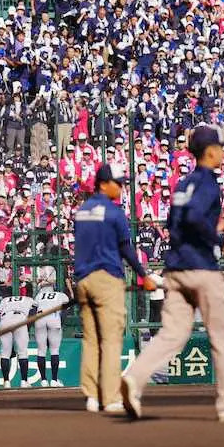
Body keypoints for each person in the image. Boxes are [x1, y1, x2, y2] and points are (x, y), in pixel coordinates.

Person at [120, 125, 224, 423]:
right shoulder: (209, 182)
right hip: (202, 269)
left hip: (176, 268)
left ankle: (134, 378)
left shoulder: (183, 185)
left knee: (172, 334)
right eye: (221, 148)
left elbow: (175, 222)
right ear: (210, 152)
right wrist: (221, 242)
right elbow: (196, 218)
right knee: (221, 335)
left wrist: (210, 227)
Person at [72, 164, 157, 413]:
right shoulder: (114, 212)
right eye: (118, 183)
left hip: (83, 280)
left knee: (91, 339)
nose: (121, 187)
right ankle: (109, 398)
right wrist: (144, 276)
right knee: (110, 340)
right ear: (103, 184)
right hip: (106, 278)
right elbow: (126, 248)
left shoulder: (82, 211)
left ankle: (91, 396)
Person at [0, 291, 36, 388]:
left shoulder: (5, 300)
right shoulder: (29, 299)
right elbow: (33, 313)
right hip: (20, 318)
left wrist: (0, 327)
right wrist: (27, 327)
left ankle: (6, 382)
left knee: (5, 353)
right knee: (22, 352)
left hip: (5, 319)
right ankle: (24, 381)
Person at [34, 286, 71, 387]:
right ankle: (54, 380)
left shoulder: (39, 295)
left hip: (40, 317)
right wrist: (60, 322)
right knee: (54, 350)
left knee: (41, 350)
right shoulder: (60, 295)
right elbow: (67, 308)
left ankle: (43, 380)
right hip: (53, 317)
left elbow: (34, 309)